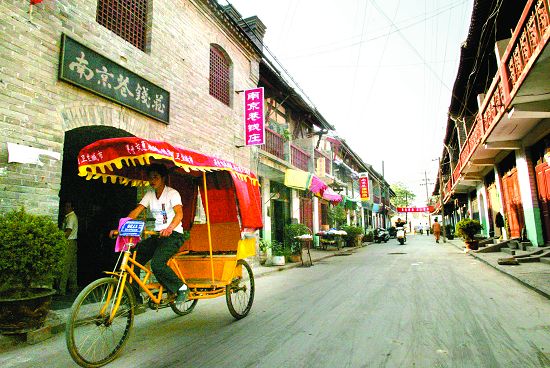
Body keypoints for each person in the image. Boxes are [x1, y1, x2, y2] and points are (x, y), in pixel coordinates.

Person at [124, 164, 189, 303]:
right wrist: (122, 226)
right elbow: (136, 212)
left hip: (174, 235)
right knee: (133, 257)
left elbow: (179, 214)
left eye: (156, 177)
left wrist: (170, 228)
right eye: (150, 178)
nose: (152, 181)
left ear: (163, 178)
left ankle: (181, 288)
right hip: (159, 235)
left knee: (157, 264)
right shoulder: (149, 194)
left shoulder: (172, 193)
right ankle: (135, 298)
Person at [59, 201, 78, 295]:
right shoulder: (71, 217)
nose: (66, 208)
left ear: (72, 208)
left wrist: (60, 239)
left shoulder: (71, 217)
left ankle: (61, 289)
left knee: (65, 266)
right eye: (65, 206)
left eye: (68, 206)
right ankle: (73, 287)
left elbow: (68, 231)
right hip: (73, 242)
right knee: (72, 267)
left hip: (69, 242)